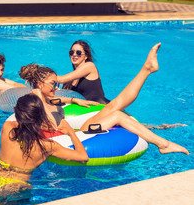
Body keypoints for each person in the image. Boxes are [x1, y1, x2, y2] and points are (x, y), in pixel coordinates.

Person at [19, 43, 190, 155]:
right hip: (75, 137)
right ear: (40, 84)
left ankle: (147, 69)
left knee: (115, 107)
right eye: (52, 84)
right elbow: (48, 122)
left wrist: (72, 101)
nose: (56, 88)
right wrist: (68, 129)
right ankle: (163, 144)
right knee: (117, 112)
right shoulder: (36, 98)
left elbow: (55, 102)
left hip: (80, 131)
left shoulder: (44, 96)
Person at [0, 93, 89, 203]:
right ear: (41, 117)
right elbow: (83, 157)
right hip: (14, 187)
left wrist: (39, 123)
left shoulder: (7, 127)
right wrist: (71, 132)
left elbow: (22, 123)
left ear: (15, 110)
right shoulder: (47, 146)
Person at [57, 40, 110, 104]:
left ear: (86, 56)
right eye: (71, 52)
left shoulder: (90, 66)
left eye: (78, 52)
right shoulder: (70, 80)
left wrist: (44, 76)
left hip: (101, 108)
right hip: (85, 110)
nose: (74, 55)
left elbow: (62, 79)